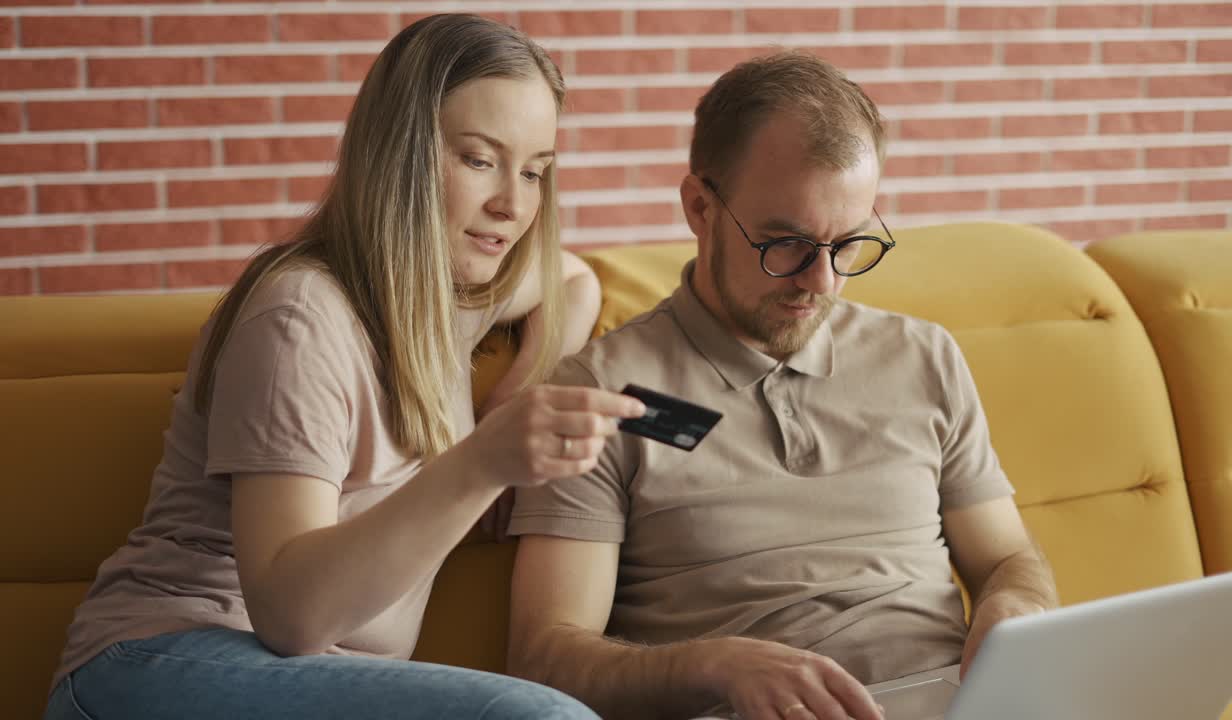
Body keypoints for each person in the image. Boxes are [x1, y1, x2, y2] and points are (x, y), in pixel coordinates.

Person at [43, 14, 645, 720]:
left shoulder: (440, 307)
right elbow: (290, 615)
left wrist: (516, 390)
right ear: (401, 154)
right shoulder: (300, 316)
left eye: (536, 171)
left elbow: (572, 280)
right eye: (480, 160)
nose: (513, 205)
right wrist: (486, 459)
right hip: (161, 665)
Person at [504, 51, 1059, 720]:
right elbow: (543, 658)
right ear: (700, 208)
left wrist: (1018, 603)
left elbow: (1005, 557)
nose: (821, 282)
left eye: (849, 244)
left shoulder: (923, 357)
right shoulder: (604, 394)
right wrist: (713, 663)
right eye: (786, 244)